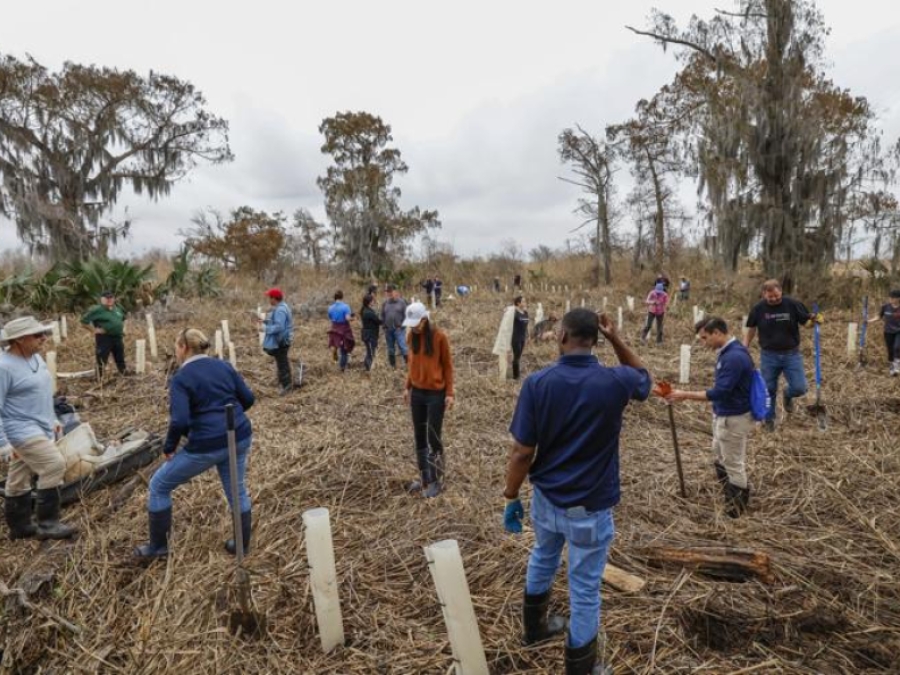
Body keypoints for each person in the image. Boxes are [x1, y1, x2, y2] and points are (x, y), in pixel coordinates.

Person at [503, 309, 650, 675]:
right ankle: (580, 668)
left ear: (562, 336)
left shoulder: (539, 383)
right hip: (590, 507)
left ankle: (534, 629)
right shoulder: (615, 381)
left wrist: (510, 495)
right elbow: (644, 377)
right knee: (584, 588)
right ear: (596, 339)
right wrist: (616, 337)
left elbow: (522, 451)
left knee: (543, 555)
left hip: (546, 500)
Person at [135, 328, 256, 559]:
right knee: (237, 490)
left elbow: (179, 420)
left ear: (183, 348)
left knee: (159, 485)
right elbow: (248, 399)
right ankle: (242, 545)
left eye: (176, 346)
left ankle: (158, 548)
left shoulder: (181, 378)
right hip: (238, 435)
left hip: (207, 444)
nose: (175, 351)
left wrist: (169, 447)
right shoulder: (224, 366)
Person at [666, 317, 754, 517]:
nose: (704, 343)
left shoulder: (734, 357)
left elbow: (720, 392)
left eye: (705, 338)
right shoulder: (727, 353)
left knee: (733, 462)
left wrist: (685, 394)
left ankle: (736, 509)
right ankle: (728, 494)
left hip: (734, 418)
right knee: (720, 454)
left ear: (717, 333)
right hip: (724, 414)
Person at [1, 317, 77, 540]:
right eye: (37, 335)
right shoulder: (3, 367)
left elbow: (43, 393)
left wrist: (52, 419)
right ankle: (47, 524)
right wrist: (3, 444)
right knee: (54, 465)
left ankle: (20, 526)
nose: (43, 338)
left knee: (18, 476)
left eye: (43, 333)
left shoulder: (35, 358)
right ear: (19, 339)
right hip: (19, 429)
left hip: (39, 425)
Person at [744, 279, 819, 431]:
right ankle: (769, 421)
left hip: (791, 354)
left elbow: (806, 323)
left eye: (777, 296)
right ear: (764, 294)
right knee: (768, 389)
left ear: (781, 292)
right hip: (768, 355)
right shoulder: (758, 309)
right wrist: (744, 345)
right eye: (770, 297)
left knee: (800, 388)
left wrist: (815, 321)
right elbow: (751, 327)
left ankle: (787, 394)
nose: (774, 299)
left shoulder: (792, 304)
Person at [403, 302, 454, 498]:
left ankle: (436, 480)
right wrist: (407, 387)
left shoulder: (440, 337)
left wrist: (450, 393)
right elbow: (412, 365)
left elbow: (448, 366)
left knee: (433, 435)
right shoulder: (410, 337)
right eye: (412, 324)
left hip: (435, 394)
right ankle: (424, 477)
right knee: (419, 435)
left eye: (417, 323)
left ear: (425, 320)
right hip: (417, 392)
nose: (414, 327)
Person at [81, 290, 128, 376]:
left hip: (117, 337)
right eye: (107, 298)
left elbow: (124, 318)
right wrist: (94, 330)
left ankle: (123, 373)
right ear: (102, 299)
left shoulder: (117, 308)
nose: (109, 300)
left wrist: (123, 328)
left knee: (120, 357)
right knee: (102, 358)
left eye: (111, 298)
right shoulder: (97, 310)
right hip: (105, 338)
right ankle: (100, 378)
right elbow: (83, 321)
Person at [260, 288, 294, 395]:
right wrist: (265, 321)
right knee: (281, 362)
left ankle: (287, 387)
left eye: (270, 297)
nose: (269, 300)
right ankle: (284, 384)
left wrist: (265, 329)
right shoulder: (282, 307)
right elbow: (276, 322)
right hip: (283, 340)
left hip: (281, 342)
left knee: (282, 364)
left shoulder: (280, 310)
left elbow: (279, 327)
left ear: (274, 298)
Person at [868, 289, 900, 375]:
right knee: (890, 350)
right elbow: (879, 316)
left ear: (898, 299)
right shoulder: (885, 306)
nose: (891, 299)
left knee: (897, 347)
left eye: (893, 298)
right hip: (888, 331)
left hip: (898, 331)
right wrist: (870, 321)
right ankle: (892, 367)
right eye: (890, 297)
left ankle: (897, 365)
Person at [381, 284, 409, 369]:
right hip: (388, 330)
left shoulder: (402, 302)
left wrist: (402, 326)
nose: (390, 294)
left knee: (403, 346)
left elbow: (407, 315)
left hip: (399, 329)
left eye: (391, 292)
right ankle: (392, 366)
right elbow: (382, 315)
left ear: (396, 292)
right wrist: (384, 325)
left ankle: (409, 365)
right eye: (388, 292)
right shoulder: (385, 303)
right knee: (390, 348)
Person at [327, 290, 355, 372]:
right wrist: (352, 318)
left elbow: (330, 317)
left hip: (334, 327)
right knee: (345, 348)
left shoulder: (330, 307)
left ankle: (335, 349)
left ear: (334, 298)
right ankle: (342, 368)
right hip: (344, 328)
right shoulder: (345, 307)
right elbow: (347, 318)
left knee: (337, 342)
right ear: (342, 297)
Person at [360, 294, 382, 372]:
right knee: (371, 352)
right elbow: (378, 321)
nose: (374, 302)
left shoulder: (366, 309)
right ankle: (368, 368)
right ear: (369, 302)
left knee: (369, 351)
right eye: (372, 300)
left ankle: (367, 366)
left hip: (368, 334)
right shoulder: (368, 312)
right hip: (370, 335)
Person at [511, 296, 530, 380]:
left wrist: (528, 335)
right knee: (516, 356)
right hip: (515, 338)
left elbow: (526, 325)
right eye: (523, 301)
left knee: (519, 356)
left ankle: (517, 374)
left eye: (525, 301)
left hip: (523, 337)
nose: (525, 302)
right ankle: (516, 376)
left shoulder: (525, 312)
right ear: (518, 303)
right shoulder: (514, 313)